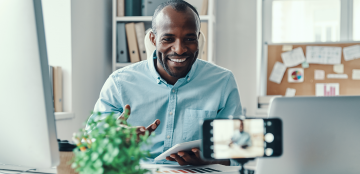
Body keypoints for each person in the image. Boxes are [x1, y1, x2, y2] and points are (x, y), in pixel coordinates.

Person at [86, 0, 242, 166]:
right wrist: (113, 137)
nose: (179, 49)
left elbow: (238, 152)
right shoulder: (119, 83)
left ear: (198, 38)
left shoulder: (222, 82)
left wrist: (209, 158)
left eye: (189, 39)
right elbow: (90, 141)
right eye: (168, 39)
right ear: (153, 39)